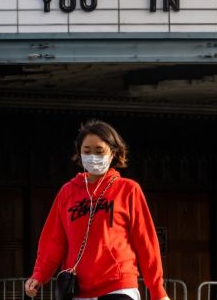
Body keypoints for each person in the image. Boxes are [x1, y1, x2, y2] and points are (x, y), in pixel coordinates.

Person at [25, 120, 170, 300]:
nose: (93, 156)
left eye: (99, 151)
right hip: (78, 288)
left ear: (113, 153)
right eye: (87, 151)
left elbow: (145, 241)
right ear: (79, 153)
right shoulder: (67, 192)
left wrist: (157, 291)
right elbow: (53, 240)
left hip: (118, 285)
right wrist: (39, 275)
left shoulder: (128, 189)